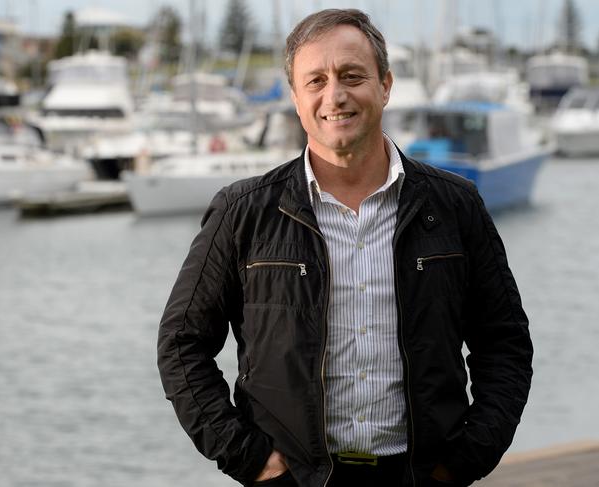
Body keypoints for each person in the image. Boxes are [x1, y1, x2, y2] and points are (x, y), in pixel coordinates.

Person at [157, 9, 532, 487]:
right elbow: (181, 344)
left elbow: (505, 342)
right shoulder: (242, 212)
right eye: (315, 80)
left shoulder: (455, 205)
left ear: (386, 85)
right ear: (295, 98)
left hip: (421, 476)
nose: (334, 95)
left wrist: (465, 460)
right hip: (293, 477)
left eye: (352, 76)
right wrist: (251, 460)